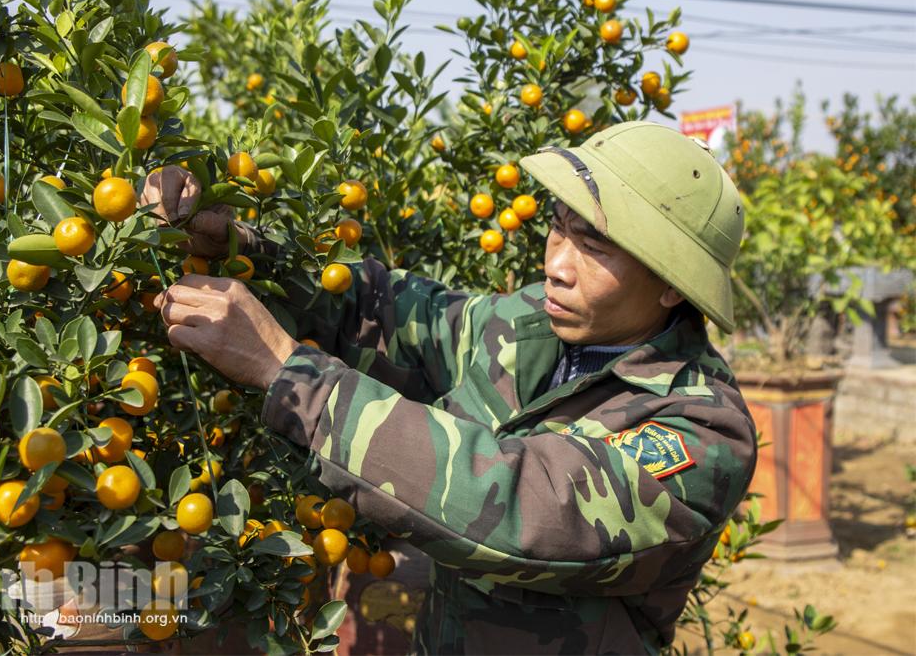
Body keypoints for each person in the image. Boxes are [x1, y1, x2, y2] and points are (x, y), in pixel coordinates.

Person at [141, 121, 757, 654]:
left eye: (593, 244)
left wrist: (287, 371)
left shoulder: (699, 429)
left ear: (673, 284)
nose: (557, 263)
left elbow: (523, 510)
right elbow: (384, 311)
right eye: (560, 227)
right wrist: (241, 245)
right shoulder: (527, 326)